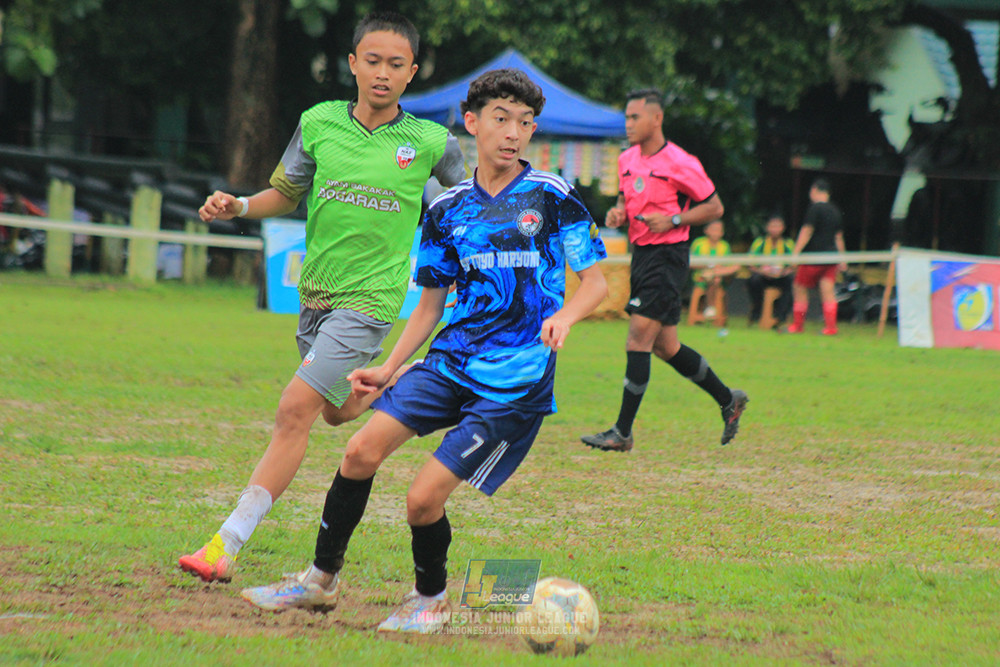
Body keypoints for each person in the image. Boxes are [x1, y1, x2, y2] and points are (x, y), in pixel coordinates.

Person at [239, 68, 608, 633]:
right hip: (449, 361)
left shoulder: (552, 197)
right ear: (471, 123)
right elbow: (431, 307)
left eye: (525, 123)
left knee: (421, 499)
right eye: (501, 118)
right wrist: (388, 367)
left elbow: (598, 283)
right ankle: (319, 581)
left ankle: (430, 599)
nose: (513, 132)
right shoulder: (446, 210)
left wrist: (565, 315)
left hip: (516, 379)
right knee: (359, 451)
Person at [178, 11, 466, 583]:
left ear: (412, 73)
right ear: (353, 64)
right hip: (315, 297)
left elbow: (465, 211)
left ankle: (225, 544)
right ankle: (399, 385)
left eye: (396, 65)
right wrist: (237, 205)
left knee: (293, 411)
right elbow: (285, 193)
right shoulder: (319, 123)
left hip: (372, 300)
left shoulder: (433, 143)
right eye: (373, 61)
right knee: (335, 412)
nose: (383, 74)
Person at [579, 88, 748, 452]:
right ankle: (727, 400)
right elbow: (625, 199)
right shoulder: (626, 160)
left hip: (668, 256)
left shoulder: (681, 162)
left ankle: (622, 432)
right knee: (666, 346)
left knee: (637, 339)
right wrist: (618, 213)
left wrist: (673, 218)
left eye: (634, 117)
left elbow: (714, 207)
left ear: (656, 119)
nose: (628, 124)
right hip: (642, 255)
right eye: (626, 117)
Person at [788, 178, 845, 335]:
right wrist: (843, 258)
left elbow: (807, 231)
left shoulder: (814, 209)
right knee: (828, 291)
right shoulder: (835, 210)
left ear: (815, 191)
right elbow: (838, 237)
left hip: (813, 256)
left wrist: (795, 253)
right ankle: (831, 327)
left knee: (799, 288)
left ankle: (798, 326)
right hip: (831, 257)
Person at [746, 214, 794, 327]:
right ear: (767, 228)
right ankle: (757, 312)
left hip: (781, 276)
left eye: (778, 226)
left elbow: (794, 265)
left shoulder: (788, 243)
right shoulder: (759, 242)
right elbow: (750, 263)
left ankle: (780, 316)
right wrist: (762, 271)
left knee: (792, 281)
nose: (775, 229)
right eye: (772, 226)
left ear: (783, 228)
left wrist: (783, 272)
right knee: (753, 280)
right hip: (763, 276)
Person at [688, 219, 738, 325]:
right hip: (701, 276)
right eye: (713, 229)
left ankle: (712, 310)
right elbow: (690, 262)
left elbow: (729, 265)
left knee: (719, 276)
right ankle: (711, 308)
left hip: (719, 276)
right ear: (706, 230)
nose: (716, 233)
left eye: (719, 230)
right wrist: (707, 267)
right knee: (713, 277)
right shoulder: (698, 243)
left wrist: (716, 271)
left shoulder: (724, 246)